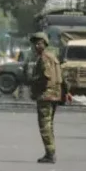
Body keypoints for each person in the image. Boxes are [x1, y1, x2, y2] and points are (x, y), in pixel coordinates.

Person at [28, 31, 62, 163]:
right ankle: (50, 151)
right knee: (49, 125)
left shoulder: (44, 58)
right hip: (53, 96)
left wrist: (32, 80)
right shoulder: (52, 57)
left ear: (44, 44)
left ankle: (50, 153)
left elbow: (45, 77)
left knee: (45, 126)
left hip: (46, 96)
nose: (36, 46)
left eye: (39, 43)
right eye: (35, 43)